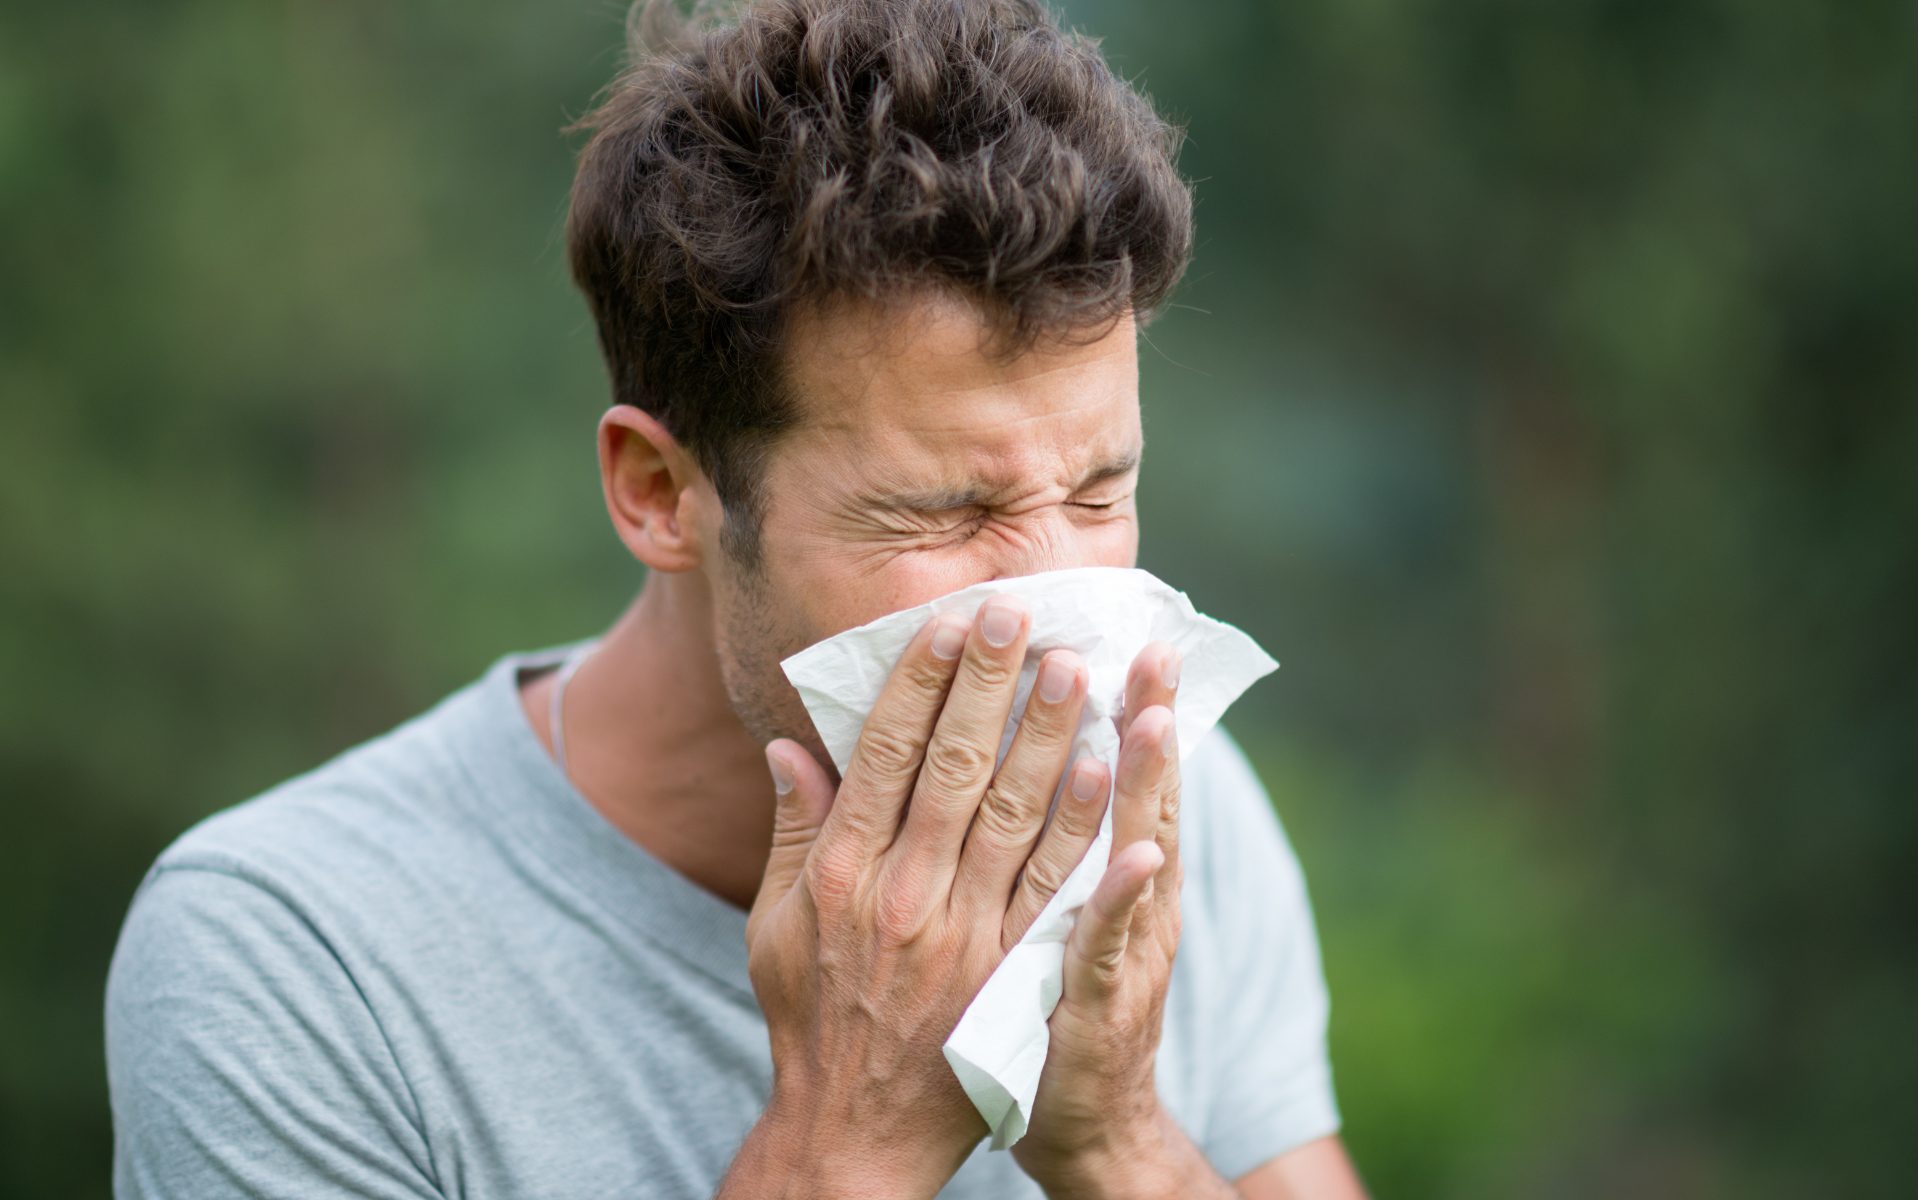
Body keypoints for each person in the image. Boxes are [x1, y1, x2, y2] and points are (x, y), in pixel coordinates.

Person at [105, 1, 1366, 1196]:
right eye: (945, 512)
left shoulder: (1158, 810)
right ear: (659, 493)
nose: (1060, 622)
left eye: (1099, 493)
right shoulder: (291, 959)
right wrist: (850, 1137)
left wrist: (1121, 1143)